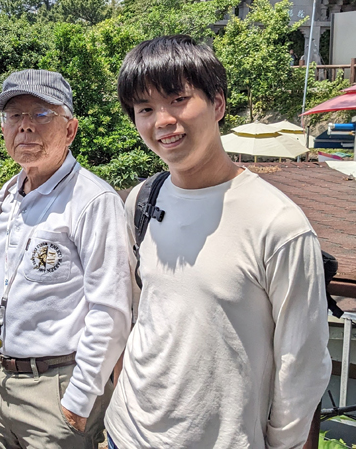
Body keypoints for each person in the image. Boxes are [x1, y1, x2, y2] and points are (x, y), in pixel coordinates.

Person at [105, 35, 331, 448]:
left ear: (219, 104)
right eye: (145, 109)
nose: (163, 120)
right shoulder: (142, 200)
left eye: (178, 99)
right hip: (127, 433)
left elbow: (301, 364)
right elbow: (135, 309)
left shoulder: (278, 224)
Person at [0, 69, 132, 449]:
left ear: (70, 130)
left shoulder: (93, 201)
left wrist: (80, 399)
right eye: (14, 116)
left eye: (41, 114)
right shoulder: (7, 198)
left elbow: (110, 309)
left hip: (57, 388)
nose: (25, 127)